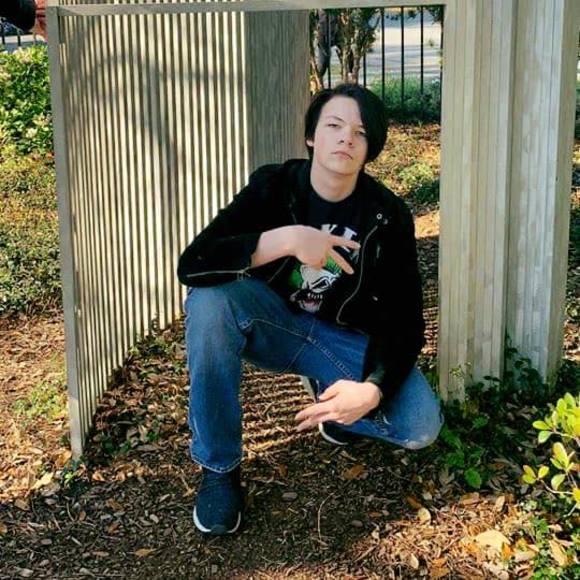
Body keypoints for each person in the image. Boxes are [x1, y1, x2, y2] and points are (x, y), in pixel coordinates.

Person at [177, 83, 444, 535]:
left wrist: (373, 389)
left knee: (419, 426)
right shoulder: (275, 186)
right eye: (334, 125)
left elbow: (407, 319)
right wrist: (285, 239)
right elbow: (194, 263)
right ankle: (219, 468)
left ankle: (341, 408)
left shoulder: (387, 215)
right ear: (311, 136)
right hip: (272, 324)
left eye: (360, 133)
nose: (346, 139)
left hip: (338, 339)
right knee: (209, 301)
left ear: (370, 148)